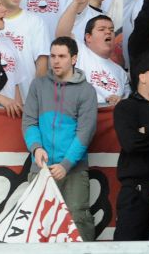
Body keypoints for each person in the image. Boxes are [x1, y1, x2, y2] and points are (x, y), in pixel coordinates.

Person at [23, 36, 99, 241]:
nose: (55, 61)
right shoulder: (38, 85)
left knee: (77, 220)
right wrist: (36, 148)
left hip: (74, 170)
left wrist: (66, 164)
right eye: (53, 56)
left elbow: (86, 132)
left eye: (62, 56)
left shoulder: (86, 90)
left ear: (74, 59)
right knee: (38, 223)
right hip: (41, 169)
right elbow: (29, 121)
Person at [113, 51, 149, 241]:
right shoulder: (126, 107)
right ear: (142, 76)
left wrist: (146, 131)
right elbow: (131, 143)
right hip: (136, 193)